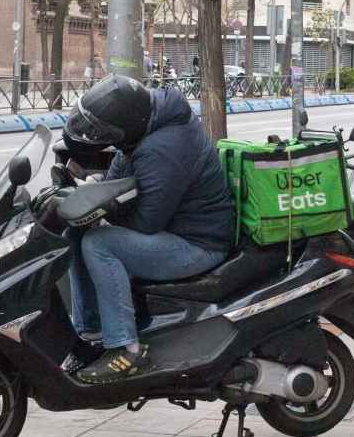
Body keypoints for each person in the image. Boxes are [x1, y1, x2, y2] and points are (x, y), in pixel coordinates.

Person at [63, 75, 233, 383]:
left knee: (99, 244)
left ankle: (126, 350)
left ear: (126, 125)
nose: (99, 136)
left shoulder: (163, 147)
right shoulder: (146, 129)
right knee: (75, 234)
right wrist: (94, 190)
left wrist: (105, 211)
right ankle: (92, 333)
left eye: (105, 131)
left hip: (198, 245)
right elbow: (121, 177)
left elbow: (147, 222)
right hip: (177, 232)